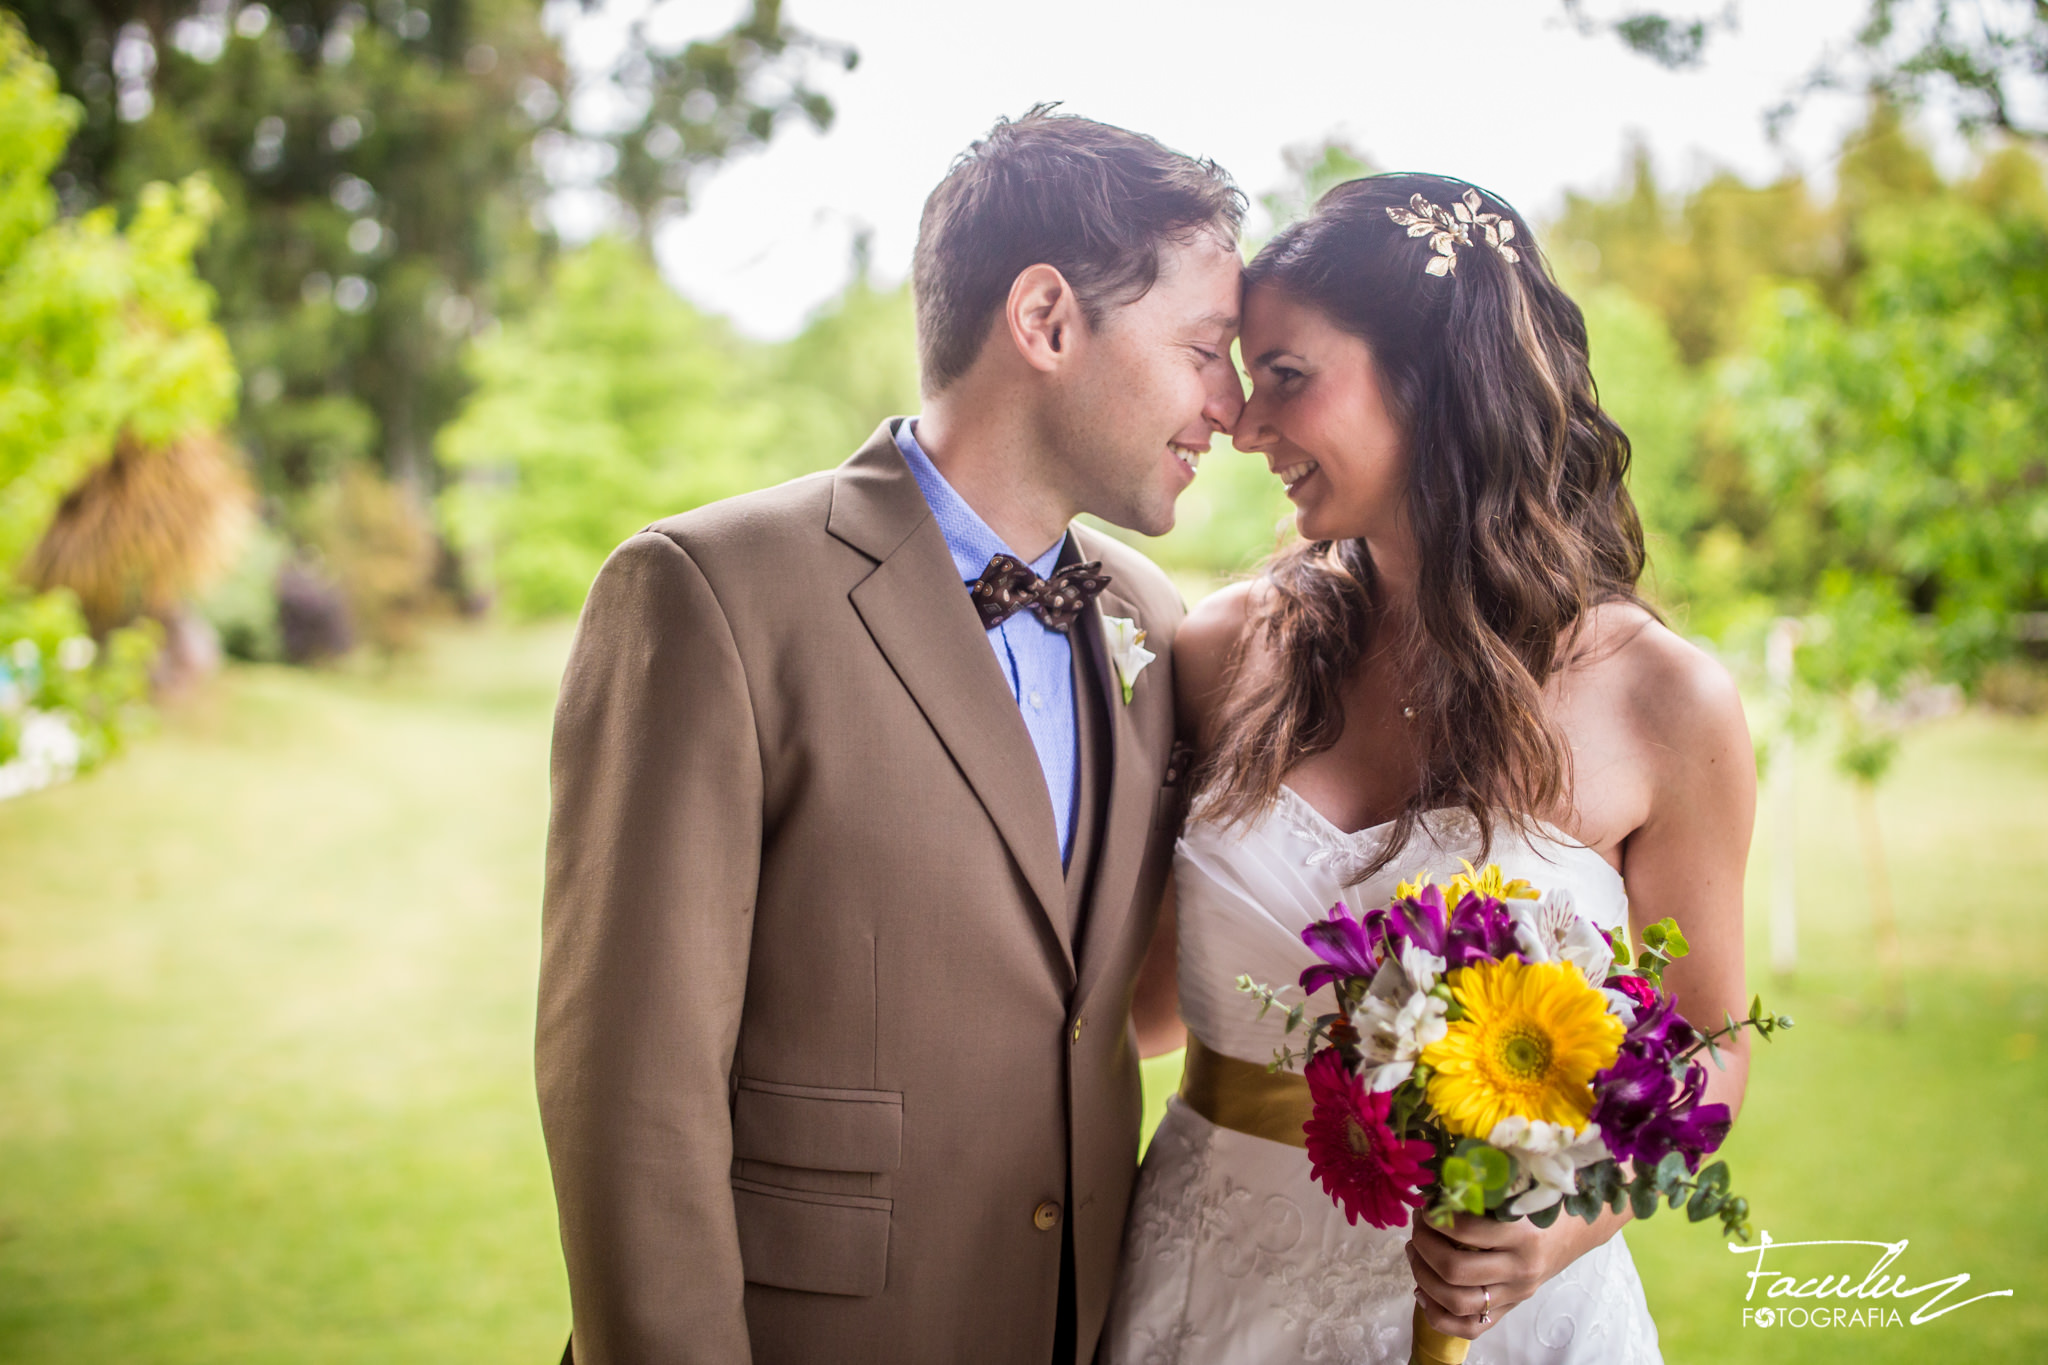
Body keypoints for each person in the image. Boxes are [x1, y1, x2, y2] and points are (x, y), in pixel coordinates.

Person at [535, 106, 1246, 1365]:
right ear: (1044, 320)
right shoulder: (708, 593)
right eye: (1202, 348)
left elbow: (1103, 1006)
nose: (1229, 408)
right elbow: (627, 1094)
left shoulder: (1145, 619)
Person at [1104, 173, 1755, 1364]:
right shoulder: (1217, 653)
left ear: (1433, 381)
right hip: (1207, 1299)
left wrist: (1569, 1220)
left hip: (1512, 1319)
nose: (1245, 426)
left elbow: (1711, 1042)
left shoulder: (1665, 701)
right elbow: (1128, 1007)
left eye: (1286, 376)